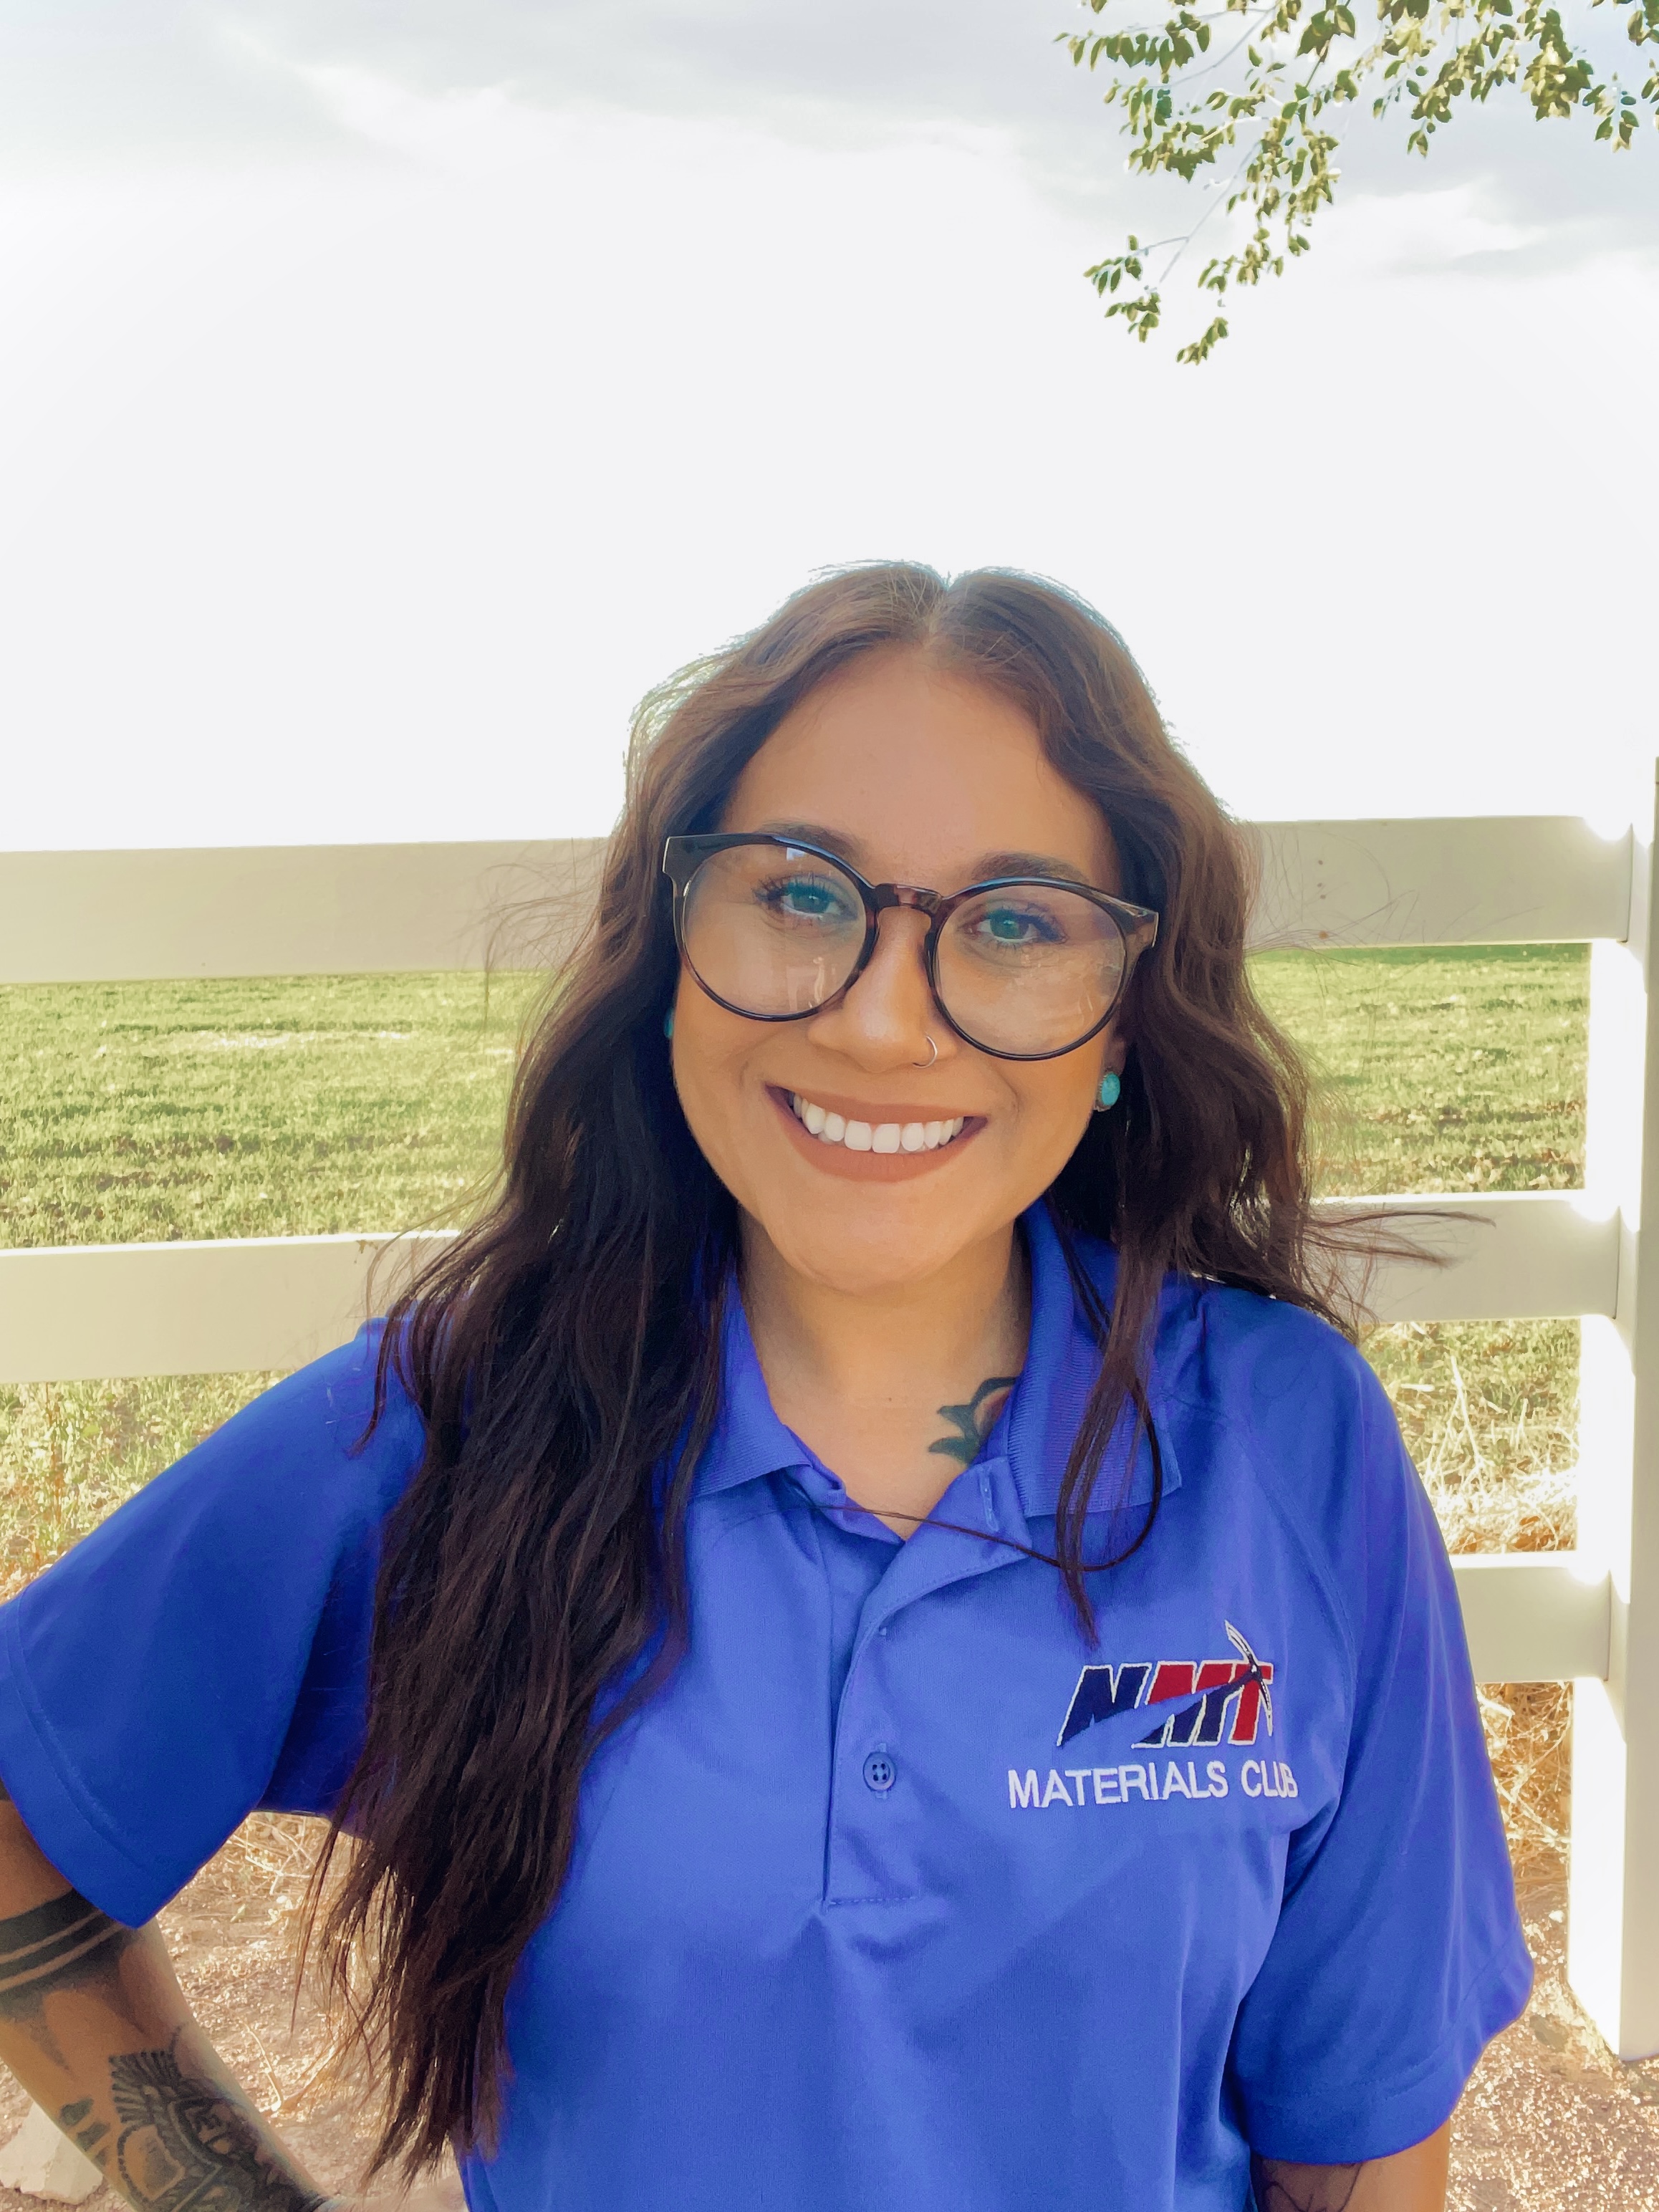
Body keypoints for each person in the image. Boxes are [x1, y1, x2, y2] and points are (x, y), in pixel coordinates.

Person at [0, 564, 1529, 2212]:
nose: (881, 1021)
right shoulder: (455, 1426)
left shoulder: (1289, 1446)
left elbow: (1360, 2127)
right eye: (800, 892)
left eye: (1018, 921)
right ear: (671, 947)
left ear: (1122, 1024)